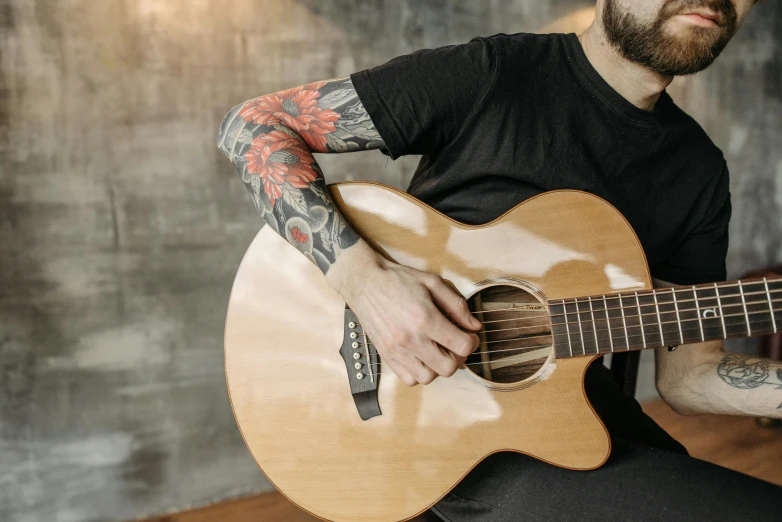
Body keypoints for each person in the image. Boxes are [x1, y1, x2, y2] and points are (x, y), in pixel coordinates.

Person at [217, 0, 782, 519]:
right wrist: (367, 283)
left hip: (570, 422)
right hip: (437, 433)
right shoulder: (494, 74)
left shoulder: (698, 171)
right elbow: (255, 125)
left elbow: (689, 375)